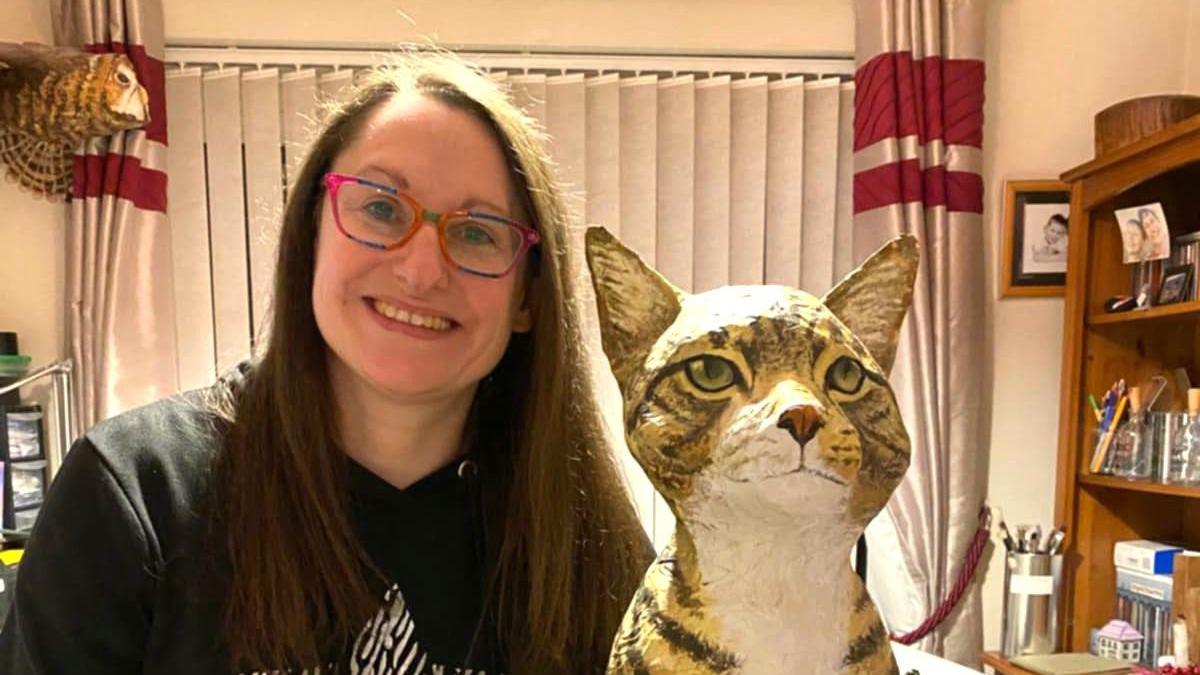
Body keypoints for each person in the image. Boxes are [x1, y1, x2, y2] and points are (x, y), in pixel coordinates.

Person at [0, 53, 652, 675]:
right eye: (379, 207)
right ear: (312, 233)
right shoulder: (132, 497)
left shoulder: (588, 537)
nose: (422, 268)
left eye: (477, 231)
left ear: (527, 298)